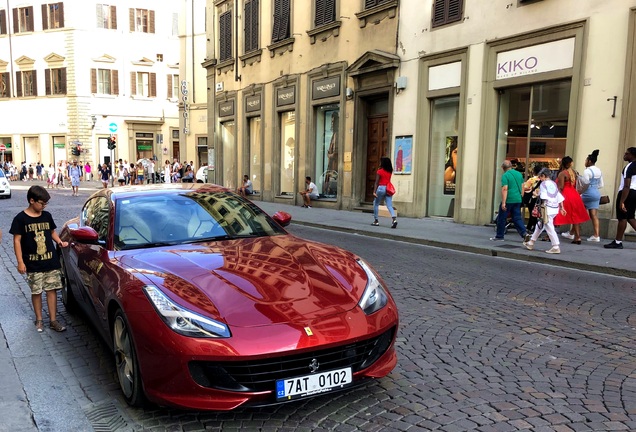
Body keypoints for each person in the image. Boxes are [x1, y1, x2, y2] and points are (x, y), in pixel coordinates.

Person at [9, 185, 68, 332]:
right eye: (41, 203)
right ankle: (39, 319)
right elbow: (17, 241)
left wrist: (60, 242)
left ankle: (53, 320)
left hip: (50, 261)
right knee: (36, 291)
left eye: (45, 204)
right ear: (31, 200)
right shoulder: (20, 219)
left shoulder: (46, 216)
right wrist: (20, 262)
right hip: (32, 263)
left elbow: (52, 232)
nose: (43, 206)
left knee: (52, 290)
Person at [523, 168, 566, 254]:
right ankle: (531, 242)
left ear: (543, 176)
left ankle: (555, 245)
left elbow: (543, 197)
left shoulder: (543, 184)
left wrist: (536, 195)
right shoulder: (553, 183)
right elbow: (558, 195)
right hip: (554, 207)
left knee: (548, 226)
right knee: (540, 225)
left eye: (540, 177)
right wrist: (562, 207)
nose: (540, 179)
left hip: (546, 208)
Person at [490, 160, 530, 242]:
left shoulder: (505, 175)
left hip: (509, 199)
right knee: (517, 218)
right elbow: (523, 186)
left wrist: (504, 202)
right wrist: (521, 196)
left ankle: (499, 236)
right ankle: (524, 233)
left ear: (503, 167)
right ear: (511, 166)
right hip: (518, 199)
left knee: (502, 218)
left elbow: (505, 189)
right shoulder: (519, 174)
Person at [605, 147, 636, 249]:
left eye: (627, 154)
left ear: (632, 155)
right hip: (634, 193)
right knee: (630, 217)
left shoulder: (629, 167)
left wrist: (622, 201)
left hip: (627, 192)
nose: (625, 155)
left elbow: (626, 185)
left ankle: (618, 242)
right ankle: (617, 241)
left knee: (622, 217)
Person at [554, 156, 589, 244]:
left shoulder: (562, 173)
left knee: (556, 214)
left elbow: (561, 187)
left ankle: (550, 235)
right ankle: (577, 237)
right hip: (575, 194)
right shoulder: (574, 172)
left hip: (566, 195)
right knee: (576, 216)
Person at [578, 149, 604, 242]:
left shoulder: (587, 171)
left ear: (589, 161)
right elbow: (601, 185)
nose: (585, 162)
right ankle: (596, 235)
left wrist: (579, 192)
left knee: (578, 213)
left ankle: (574, 233)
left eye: (586, 160)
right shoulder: (599, 171)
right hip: (596, 193)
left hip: (587, 193)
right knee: (594, 215)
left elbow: (585, 184)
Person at [371, 157, 398, 228]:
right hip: (388, 188)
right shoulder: (390, 171)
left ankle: (376, 221)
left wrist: (374, 191)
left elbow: (376, 182)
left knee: (376, 204)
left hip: (381, 188)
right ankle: (394, 219)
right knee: (389, 205)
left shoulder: (380, 171)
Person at [523, 165, 542, 234]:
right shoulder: (542, 180)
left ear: (534, 172)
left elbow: (525, 188)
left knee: (532, 213)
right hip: (540, 199)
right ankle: (533, 227)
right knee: (537, 214)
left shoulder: (531, 180)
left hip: (532, 198)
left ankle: (530, 227)